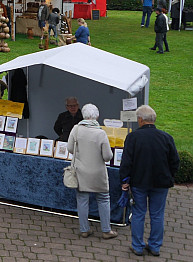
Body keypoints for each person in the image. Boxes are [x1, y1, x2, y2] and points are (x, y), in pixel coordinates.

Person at [120, 105, 180, 257]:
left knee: (139, 213)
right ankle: (155, 246)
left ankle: (137, 246)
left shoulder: (133, 137)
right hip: (161, 182)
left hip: (139, 182)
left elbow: (127, 162)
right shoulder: (166, 137)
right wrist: (169, 175)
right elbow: (175, 161)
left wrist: (124, 180)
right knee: (157, 214)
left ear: (140, 119)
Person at [67, 104, 118, 240]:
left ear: (83, 115)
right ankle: (106, 230)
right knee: (103, 199)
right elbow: (107, 156)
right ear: (97, 116)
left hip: (81, 170)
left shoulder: (76, 129)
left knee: (82, 199)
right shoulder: (100, 133)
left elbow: (70, 148)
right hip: (98, 172)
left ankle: (84, 229)